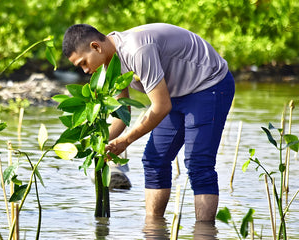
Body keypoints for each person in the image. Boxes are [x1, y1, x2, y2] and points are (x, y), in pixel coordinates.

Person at [62, 23, 235, 222]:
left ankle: (204, 233)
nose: (85, 71)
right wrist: (98, 144)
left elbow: (161, 107)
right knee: (154, 161)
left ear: (96, 47)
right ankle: (153, 229)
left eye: (83, 63)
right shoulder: (108, 62)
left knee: (198, 164)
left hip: (208, 84)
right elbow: (122, 112)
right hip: (174, 92)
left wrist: (126, 141)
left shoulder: (137, 50)